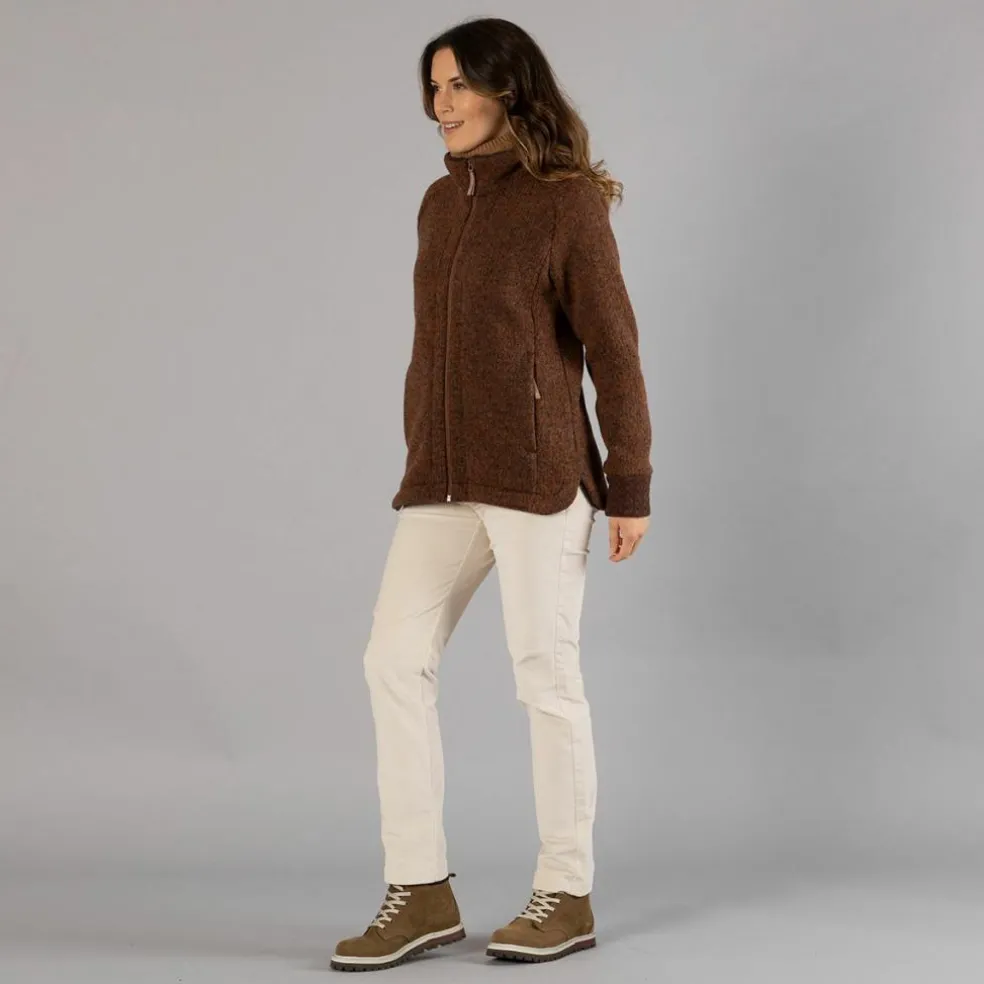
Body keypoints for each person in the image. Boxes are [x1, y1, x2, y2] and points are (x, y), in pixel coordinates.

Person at [330, 16, 652, 973]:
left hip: (539, 477)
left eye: (458, 85)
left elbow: (614, 349)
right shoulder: (439, 203)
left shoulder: (565, 203)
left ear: (508, 88)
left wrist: (629, 482)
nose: (441, 104)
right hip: (442, 476)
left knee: (544, 676)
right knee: (392, 661)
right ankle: (421, 889)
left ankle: (567, 891)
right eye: (433, 88)